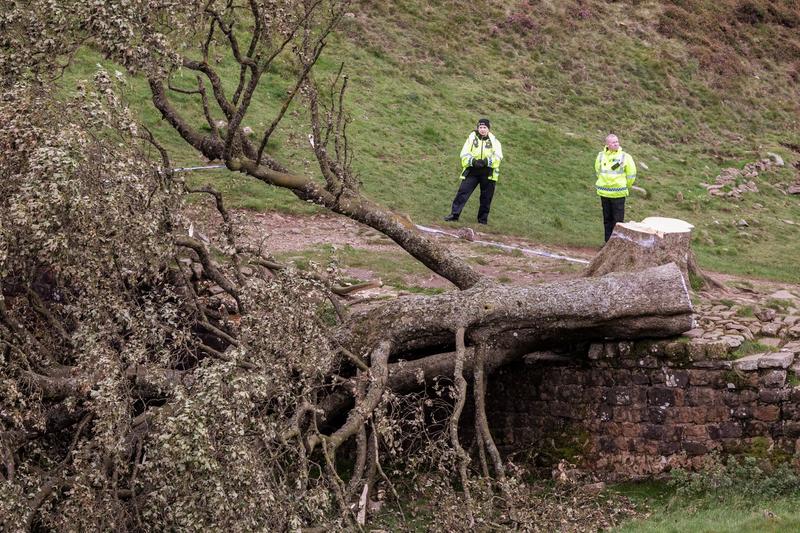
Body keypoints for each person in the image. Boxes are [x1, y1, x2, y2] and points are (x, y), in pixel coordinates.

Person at [443, 118, 503, 225]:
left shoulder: (495, 141)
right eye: (480, 127)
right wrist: (473, 161)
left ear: (488, 129)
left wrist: (486, 161)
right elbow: (464, 154)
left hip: (488, 173)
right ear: (477, 128)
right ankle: (454, 215)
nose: (482, 129)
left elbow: (498, 157)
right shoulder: (471, 139)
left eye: (485, 127)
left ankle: (482, 220)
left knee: (486, 198)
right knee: (462, 192)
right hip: (472, 171)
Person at [594, 133, 637, 242]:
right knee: (607, 220)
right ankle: (607, 244)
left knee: (618, 222)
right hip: (604, 193)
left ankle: (616, 244)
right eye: (613, 142)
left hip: (618, 194)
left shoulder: (625, 157)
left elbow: (631, 175)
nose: (616, 144)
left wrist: (625, 186)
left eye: (617, 142)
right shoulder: (601, 156)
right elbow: (598, 171)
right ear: (607, 144)